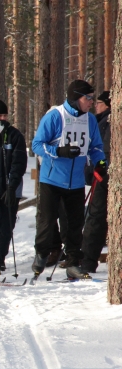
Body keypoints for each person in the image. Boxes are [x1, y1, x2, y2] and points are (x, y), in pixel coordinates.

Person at [31, 79, 106, 279]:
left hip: (75, 181)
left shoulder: (90, 120)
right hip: (52, 179)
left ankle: (73, 262)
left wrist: (100, 163)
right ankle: (41, 253)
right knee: (47, 221)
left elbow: (96, 146)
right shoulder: (55, 116)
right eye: (87, 98)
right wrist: (59, 151)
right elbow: (37, 144)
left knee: (75, 224)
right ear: (75, 98)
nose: (91, 102)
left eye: (92, 98)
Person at [0, 99, 28, 275]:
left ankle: (0, 258)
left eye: (4, 115)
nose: (2, 118)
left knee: (6, 226)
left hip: (11, 189)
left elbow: (19, 163)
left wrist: (11, 186)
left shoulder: (14, 135)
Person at [81, 90, 111, 273]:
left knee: (96, 217)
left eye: (99, 102)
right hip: (101, 173)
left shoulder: (105, 121)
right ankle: (87, 260)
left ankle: (88, 260)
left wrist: (97, 171)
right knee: (96, 218)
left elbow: (101, 151)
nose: (96, 106)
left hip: (104, 174)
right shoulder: (99, 121)